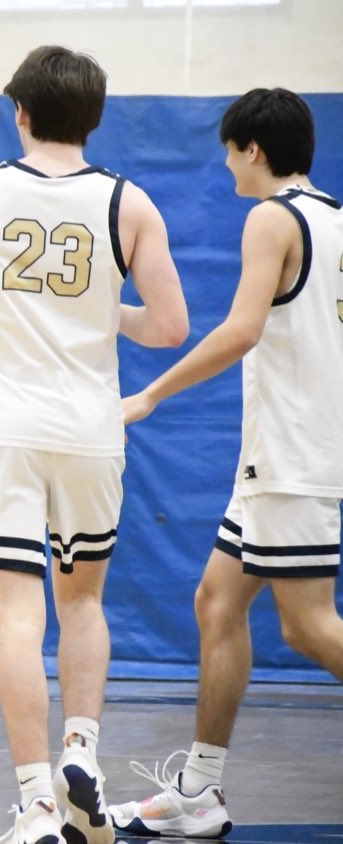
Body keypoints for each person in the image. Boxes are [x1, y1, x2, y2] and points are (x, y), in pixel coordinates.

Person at [0, 46, 189, 844]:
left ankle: (35, 804)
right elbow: (170, 327)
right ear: (94, 115)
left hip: (4, 423)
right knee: (80, 601)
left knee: (17, 617)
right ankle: (80, 750)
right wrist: (92, 311)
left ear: (19, 111)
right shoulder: (129, 203)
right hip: (90, 427)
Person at [109, 88, 343, 838]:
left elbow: (241, 330)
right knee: (216, 603)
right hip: (278, 456)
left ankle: (199, 790)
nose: (224, 163)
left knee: (308, 628)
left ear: (252, 149)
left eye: (228, 149)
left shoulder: (270, 217)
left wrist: (148, 394)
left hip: (291, 455)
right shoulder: (334, 216)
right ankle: (199, 791)